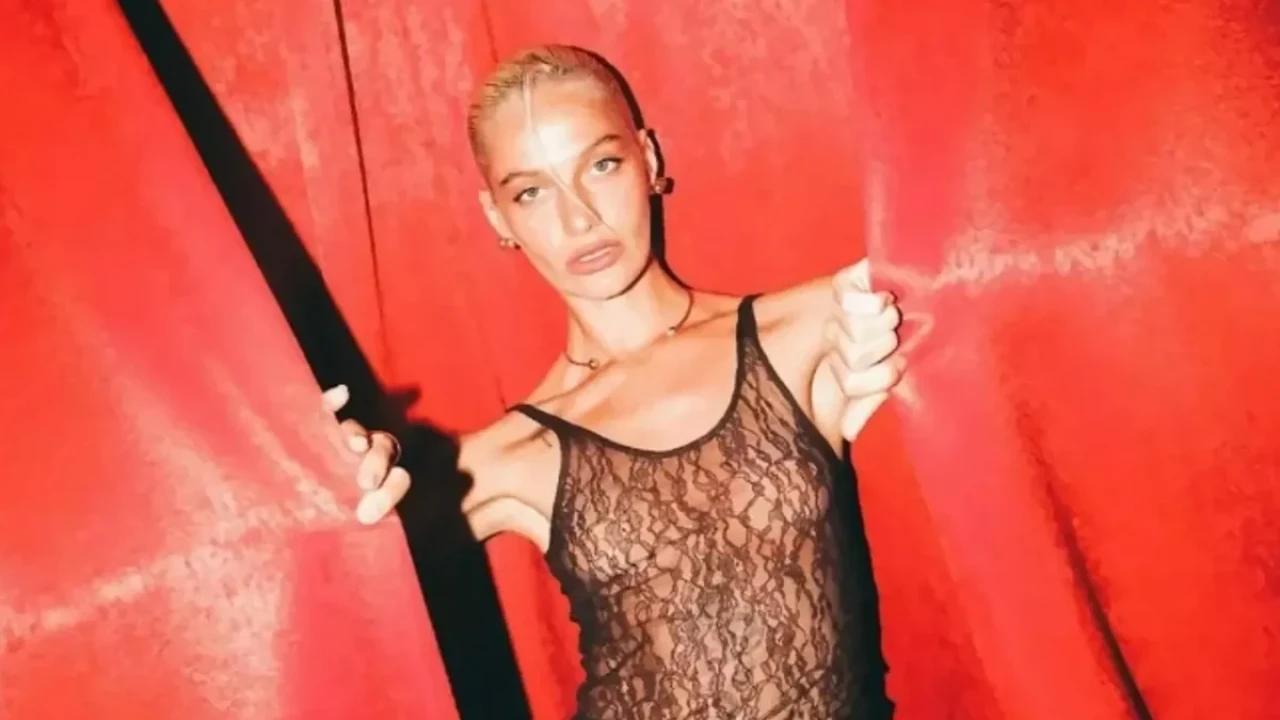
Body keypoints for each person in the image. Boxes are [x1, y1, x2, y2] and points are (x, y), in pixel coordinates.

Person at [325, 44, 905, 719]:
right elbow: (325, 584)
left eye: (601, 166)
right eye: (531, 192)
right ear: (498, 218)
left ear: (648, 161)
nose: (578, 219)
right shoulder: (512, 452)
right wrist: (340, 477)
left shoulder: (803, 329)